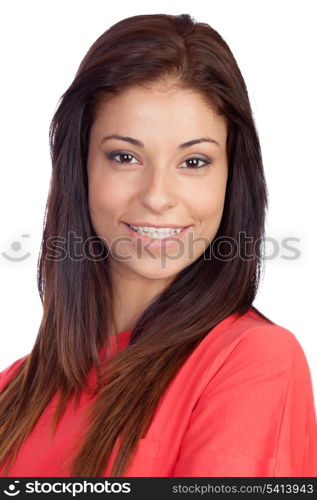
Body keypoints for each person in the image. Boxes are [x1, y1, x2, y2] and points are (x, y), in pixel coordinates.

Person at [0, 13, 316, 478]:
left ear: (232, 178)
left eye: (193, 161)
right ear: (80, 168)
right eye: (125, 156)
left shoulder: (255, 362)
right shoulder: (14, 389)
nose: (157, 196)